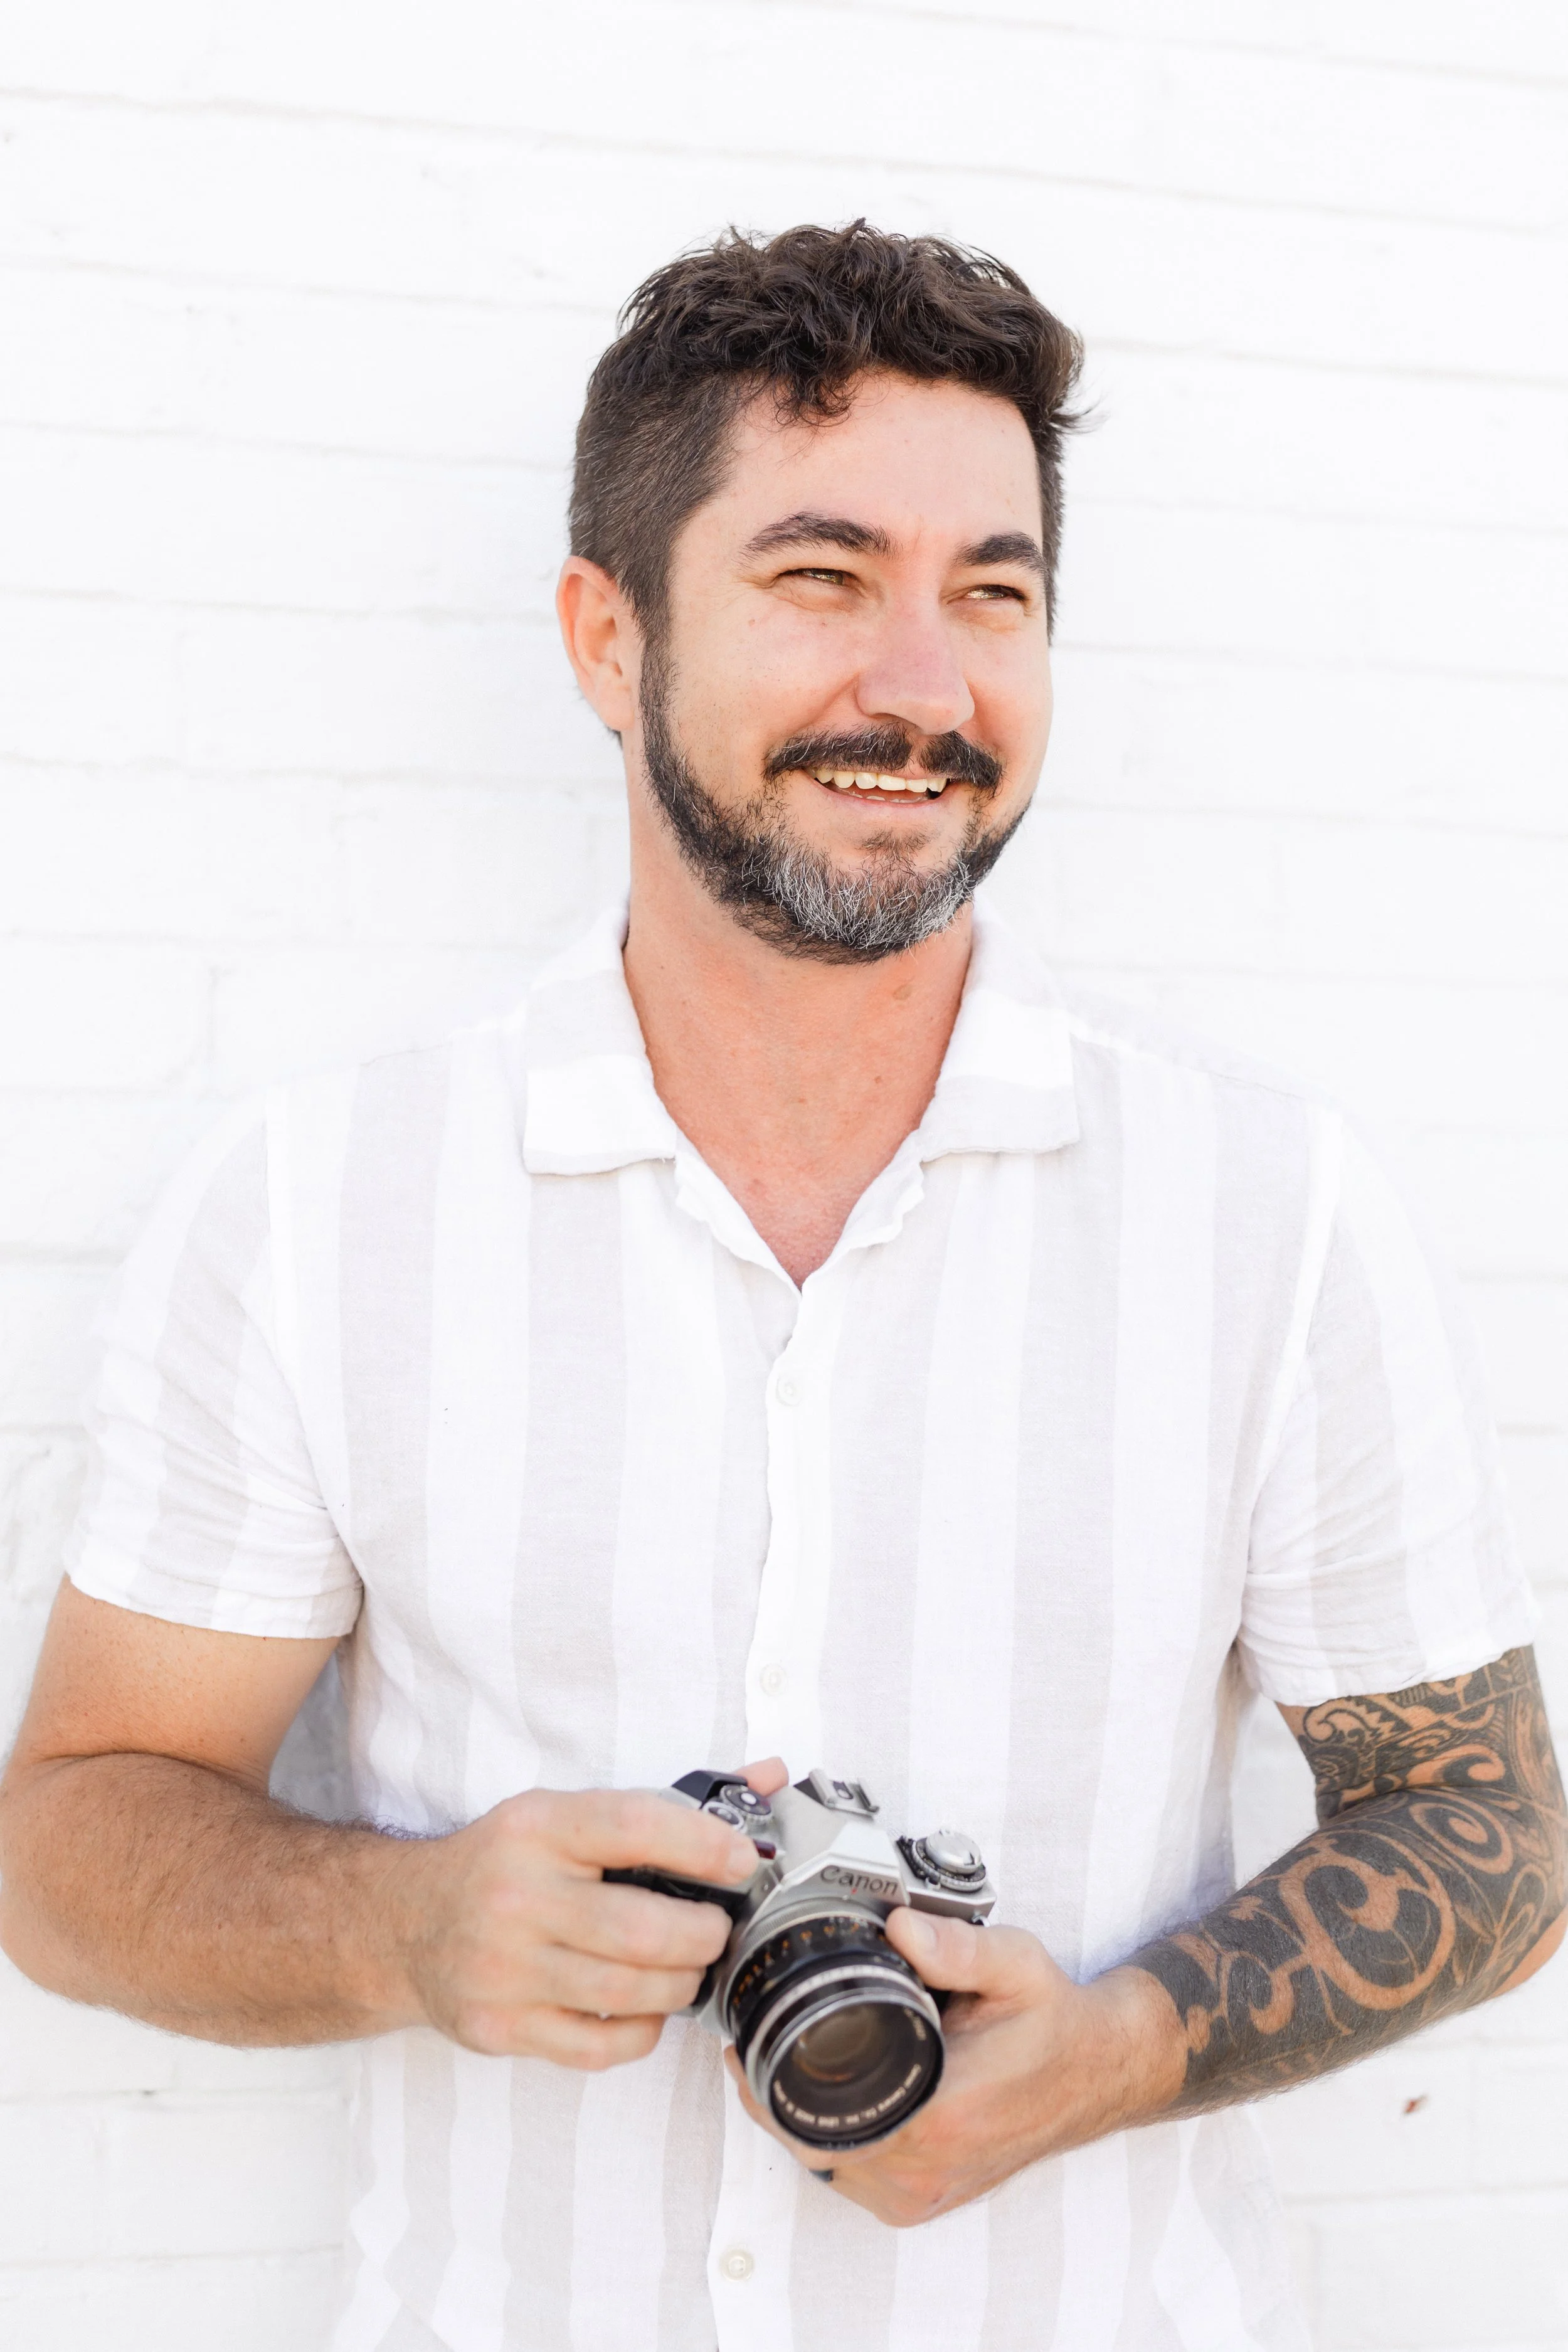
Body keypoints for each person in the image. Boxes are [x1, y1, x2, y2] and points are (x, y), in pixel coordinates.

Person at [1, 222, 1561, 2352]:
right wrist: (411, 1922)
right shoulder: (311, 1202)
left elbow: (1484, 1821)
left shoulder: (1265, 1209)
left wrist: (1111, 2048)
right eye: (820, 576)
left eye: (991, 593)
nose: (923, 684)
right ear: (604, 635)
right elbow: (76, 1832)